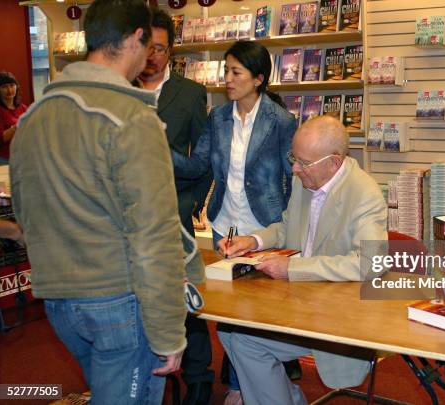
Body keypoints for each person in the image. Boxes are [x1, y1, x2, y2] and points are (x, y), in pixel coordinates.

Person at [10, 1, 201, 403]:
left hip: (60, 302)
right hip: (118, 303)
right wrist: (169, 331)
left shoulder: (34, 117)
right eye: (148, 45)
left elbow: (26, 214)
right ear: (136, 38)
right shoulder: (131, 118)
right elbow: (154, 235)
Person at [216, 116, 388, 405]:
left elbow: (370, 265)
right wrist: (252, 240)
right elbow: (287, 228)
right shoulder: (306, 180)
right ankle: (285, 398)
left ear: (333, 162)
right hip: (298, 301)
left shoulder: (364, 194)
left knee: (244, 340)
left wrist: (293, 268)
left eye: (303, 162)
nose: (294, 169)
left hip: (337, 312)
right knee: (228, 329)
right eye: (293, 159)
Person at [170, 40, 297, 404]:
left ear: (258, 79)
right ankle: (244, 385)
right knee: (228, 312)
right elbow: (199, 166)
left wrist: (293, 226)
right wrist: (159, 149)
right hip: (225, 227)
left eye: (235, 72)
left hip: (264, 229)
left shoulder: (281, 122)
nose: (226, 78)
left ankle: (250, 386)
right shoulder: (219, 118)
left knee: (258, 314)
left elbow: (294, 174)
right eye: (225, 70)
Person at [136, 9, 213, 405]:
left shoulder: (189, 93)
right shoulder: (118, 88)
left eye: (161, 49)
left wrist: (190, 204)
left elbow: (203, 159)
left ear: (172, 50)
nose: (152, 57)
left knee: (187, 298)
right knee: (140, 300)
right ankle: (146, 374)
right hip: (130, 223)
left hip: (175, 215)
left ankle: (199, 377)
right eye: (147, 47)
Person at [0, 72, 28, 164]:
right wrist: (17, 127)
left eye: (12, 85)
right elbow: (1, 138)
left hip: (23, 157)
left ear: (16, 87)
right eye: (4, 87)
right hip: (5, 158)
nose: (9, 90)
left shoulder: (23, 108)